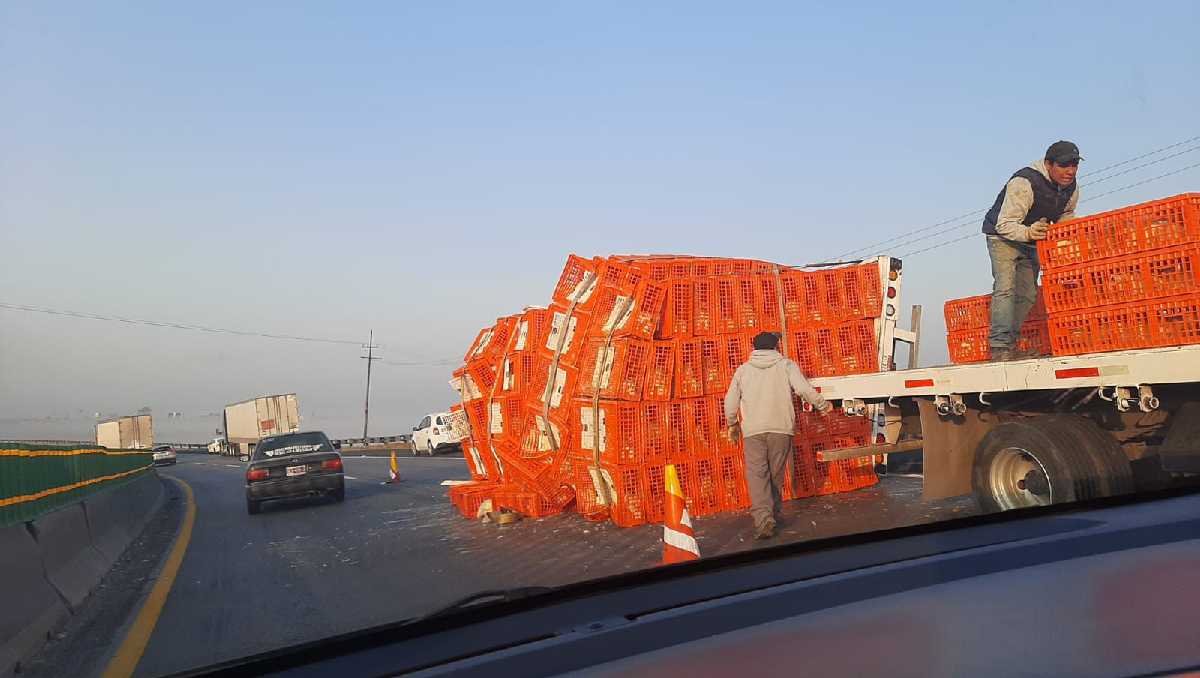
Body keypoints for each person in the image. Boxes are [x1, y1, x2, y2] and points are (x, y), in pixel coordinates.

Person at [723, 331, 830, 540]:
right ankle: (773, 514)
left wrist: (732, 423)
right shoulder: (786, 365)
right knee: (776, 474)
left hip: (753, 431)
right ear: (775, 347)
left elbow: (730, 401)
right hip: (781, 429)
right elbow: (803, 389)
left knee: (757, 474)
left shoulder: (743, 371)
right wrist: (822, 404)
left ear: (754, 348)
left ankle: (764, 519)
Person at [981, 140, 1081, 361]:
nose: (1070, 171)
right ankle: (999, 347)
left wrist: (1063, 240)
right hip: (1003, 238)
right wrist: (1027, 233)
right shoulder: (1024, 183)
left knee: (1027, 294)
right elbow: (1004, 224)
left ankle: (1011, 343)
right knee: (1006, 288)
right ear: (1048, 164)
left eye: (1074, 165)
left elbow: (1066, 215)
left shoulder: (1071, 189)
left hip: (1032, 240)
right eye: (1064, 165)